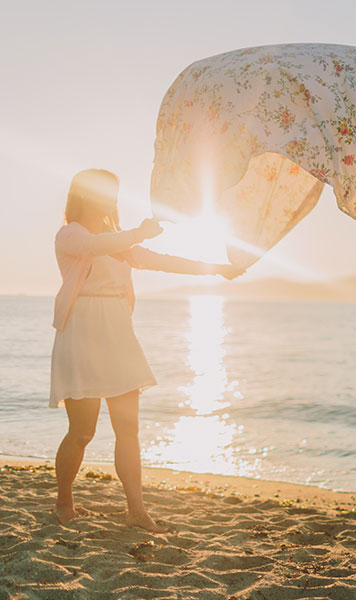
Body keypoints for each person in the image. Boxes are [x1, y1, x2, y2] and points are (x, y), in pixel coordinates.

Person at [51, 168, 244, 532]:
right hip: (83, 333)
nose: (109, 199)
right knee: (82, 431)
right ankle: (64, 501)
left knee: (129, 429)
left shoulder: (118, 240)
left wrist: (216, 269)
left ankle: (136, 510)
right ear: (84, 196)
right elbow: (94, 248)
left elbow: (162, 261)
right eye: (103, 192)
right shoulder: (70, 235)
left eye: (112, 192)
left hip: (118, 334)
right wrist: (138, 232)